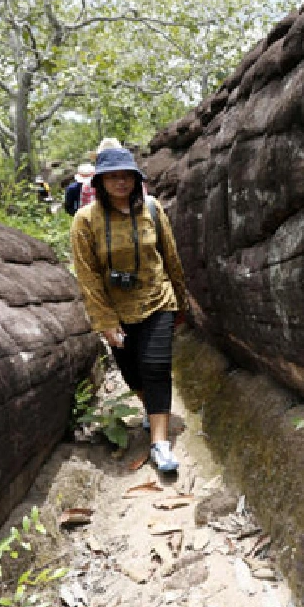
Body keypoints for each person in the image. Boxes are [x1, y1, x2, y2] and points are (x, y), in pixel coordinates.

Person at [70, 147, 189, 473]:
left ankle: (160, 444)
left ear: (136, 179)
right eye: (113, 176)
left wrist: (182, 301)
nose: (120, 182)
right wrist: (105, 321)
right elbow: (88, 276)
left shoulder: (152, 209)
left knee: (156, 366)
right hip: (116, 308)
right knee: (131, 372)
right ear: (101, 181)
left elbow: (171, 258)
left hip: (157, 299)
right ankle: (152, 409)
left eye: (126, 176)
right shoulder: (85, 221)